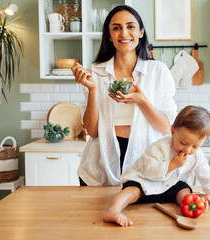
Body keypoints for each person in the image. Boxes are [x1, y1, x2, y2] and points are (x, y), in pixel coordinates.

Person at [71, 5, 177, 186]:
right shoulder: (95, 71)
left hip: (145, 157)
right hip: (101, 160)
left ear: (141, 32)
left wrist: (142, 101)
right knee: (97, 214)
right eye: (116, 28)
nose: (124, 33)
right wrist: (93, 89)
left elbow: (165, 128)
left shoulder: (158, 71)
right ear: (109, 36)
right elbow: (93, 131)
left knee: (143, 214)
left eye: (130, 26)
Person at [103, 105, 210, 227]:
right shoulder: (160, 147)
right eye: (183, 143)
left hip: (167, 186)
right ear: (173, 131)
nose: (188, 150)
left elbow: (207, 175)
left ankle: (190, 205)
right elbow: (149, 170)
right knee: (132, 191)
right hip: (144, 182)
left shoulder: (197, 156)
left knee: (183, 189)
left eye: (195, 146)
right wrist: (171, 165)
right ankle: (113, 210)